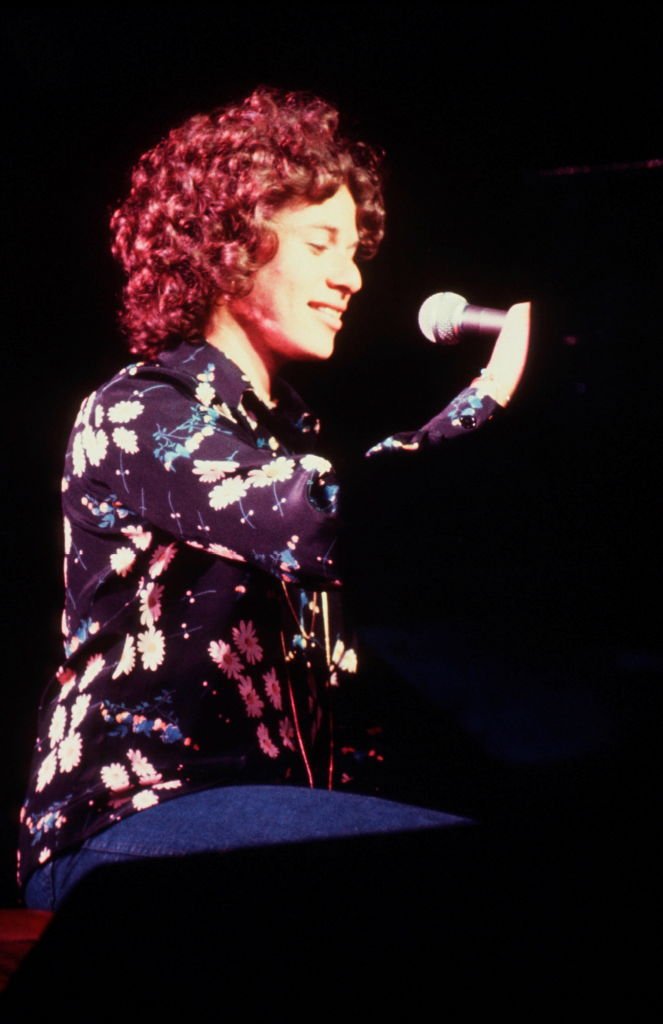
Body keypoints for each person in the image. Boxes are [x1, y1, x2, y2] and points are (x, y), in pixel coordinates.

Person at [18, 87, 530, 912]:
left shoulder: (287, 441)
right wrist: (486, 399)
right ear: (230, 244)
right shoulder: (139, 409)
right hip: (128, 822)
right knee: (454, 874)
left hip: (258, 825)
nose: (352, 275)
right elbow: (314, 518)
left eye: (355, 248)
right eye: (322, 242)